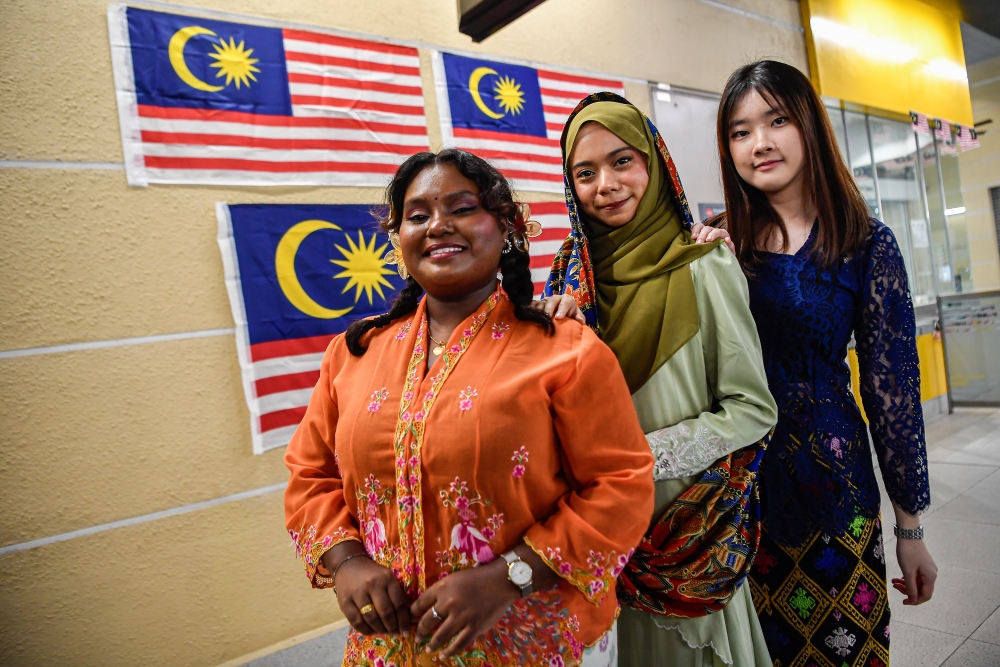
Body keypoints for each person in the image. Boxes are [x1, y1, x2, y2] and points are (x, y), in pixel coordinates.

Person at [283, 148, 655, 667]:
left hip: (529, 638)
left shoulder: (566, 351)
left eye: (461, 208)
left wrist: (508, 578)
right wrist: (346, 563)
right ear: (398, 239)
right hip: (389, 645)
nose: (437, 226)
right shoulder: (355, 352)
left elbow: (622, 485)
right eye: (417, 215)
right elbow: (309, 473)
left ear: (506, 228)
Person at [690, 60, 937, 667]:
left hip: (834, 487)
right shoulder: (718, 245)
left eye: (776, 121)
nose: (760, 143)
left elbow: (893, 396)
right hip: (736, 496)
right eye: (740, 131)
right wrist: (697, 274)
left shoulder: (865, 243)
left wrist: (910, 529)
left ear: (809, 127)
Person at [541, 93, 778, 667]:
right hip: (598, 536)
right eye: (585, 172)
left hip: (686, 530)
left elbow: (752, 407)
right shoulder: (568, 279)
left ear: (655, 160)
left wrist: (640, 459)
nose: (606, 184)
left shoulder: (703, 263)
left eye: (623, 161)